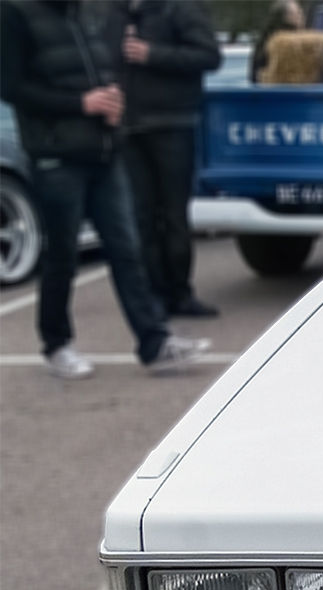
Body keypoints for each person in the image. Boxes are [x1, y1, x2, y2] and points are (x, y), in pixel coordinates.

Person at [0, 0, 209, 379]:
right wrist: (81, 104)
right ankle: (57, 344)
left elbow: (102, 68)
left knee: (127, 250)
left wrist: (113, 100)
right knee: (62, 256)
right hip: (56, 155)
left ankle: (154, 343)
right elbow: (12, 87)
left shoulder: (84, 13)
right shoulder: (16, 13)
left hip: (104, 149)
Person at [120, 0, 222, 318]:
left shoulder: (180, 8)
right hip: (129, 127)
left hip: (172, 123)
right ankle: (154, 296)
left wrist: (153, 54)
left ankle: (180, 294)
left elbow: (209, 56)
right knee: (142, 217)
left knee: (174, 215)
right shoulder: (114, 11)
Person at [251, 0, 305, 83]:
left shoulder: (265, 38)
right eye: (298, 13)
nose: (301, 16)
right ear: (287, 17)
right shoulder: (289, 41)